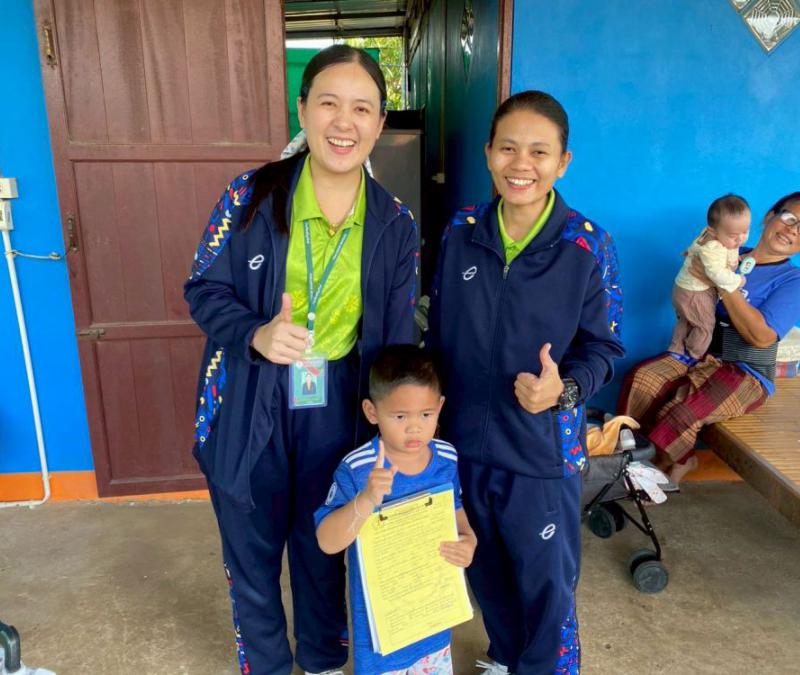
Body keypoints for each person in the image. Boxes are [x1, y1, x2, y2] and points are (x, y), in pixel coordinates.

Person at [184, 45, 419, 675]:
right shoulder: (250, 196)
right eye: (329, 104)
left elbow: (397, 339)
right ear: (302, 109)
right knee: (251, 546)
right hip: (249, 392)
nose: (344, 123)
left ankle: (321, 658)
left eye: (362, 109)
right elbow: (202, 288)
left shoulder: (395, 224)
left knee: (324, 539)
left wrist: (399, 425)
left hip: (338, 399)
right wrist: (255, 333)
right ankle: (266, 665)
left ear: (379, 123)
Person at [426, 90, 625, 675]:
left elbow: (606, 347)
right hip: (463, 444)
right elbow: (438, 333)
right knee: (484, 570)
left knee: (546, 589)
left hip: (541, 452)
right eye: (508, 148)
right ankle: (506, 658)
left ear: (563, 162)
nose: (521, 164)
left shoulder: (587, 245)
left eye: (539, 152)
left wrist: (564, 390)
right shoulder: (461, 230)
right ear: (488, 153)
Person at [619, 192, 800, 482]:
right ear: (770, 216)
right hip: (698, 353)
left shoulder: (794, 280)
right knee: (643, 380)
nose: (793, 230)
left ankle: (666, 467)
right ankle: (628, 464)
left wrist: (723, 282)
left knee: (681, 413)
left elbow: (762, 337)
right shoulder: (724, 251)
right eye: (790, 218)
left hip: (745, 370)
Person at [315, 344, 476, 674]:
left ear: (440, 407)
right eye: (400, 416)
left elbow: (455, 509)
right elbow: (327, 542)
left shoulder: (446, 457)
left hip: (434, 621)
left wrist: (469, 540)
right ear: (372, 412)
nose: (414, 427)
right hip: (382, 633)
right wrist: (366, 499)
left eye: (426, 415)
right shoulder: (358, 469)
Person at [669, 194, 751, 359]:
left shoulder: (716, 236)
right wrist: (739, 280)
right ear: (713, 231)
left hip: (684, 289)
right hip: (695, 293)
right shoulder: (714, 247)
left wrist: (736, 257)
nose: (741, 239)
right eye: (734, 236)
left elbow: (719, 253)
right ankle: (693, 356)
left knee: (687, 320)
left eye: (745, 231)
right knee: (705, 326)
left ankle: (676, 351)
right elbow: (718, 274)